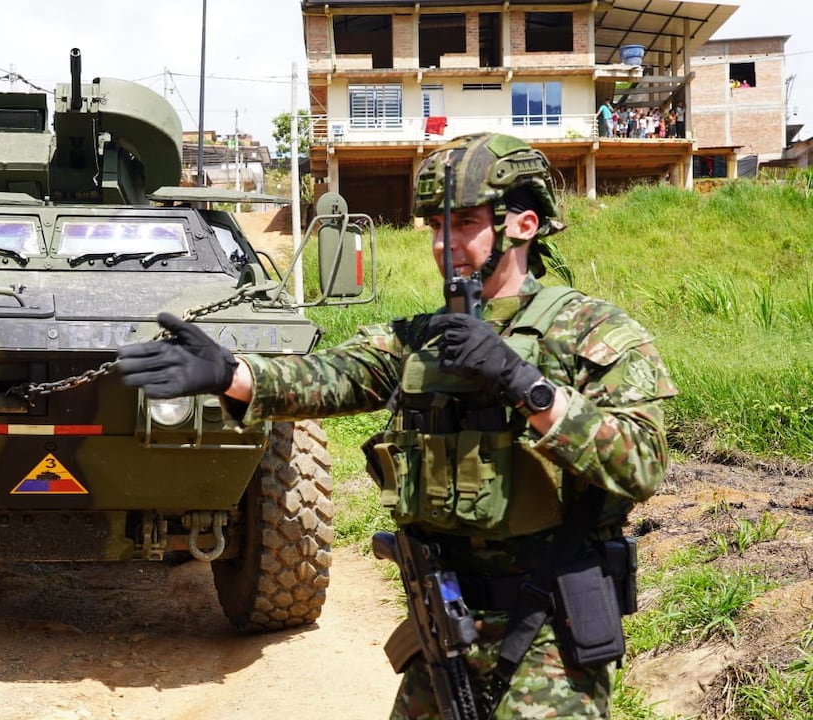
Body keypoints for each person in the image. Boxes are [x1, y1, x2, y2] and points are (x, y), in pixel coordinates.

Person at [115, 132, 677, 719]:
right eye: (435, 226)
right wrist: (229, 373)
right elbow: (334, 375)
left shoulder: (590, 331)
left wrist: (523, 384)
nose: (443, 244)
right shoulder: (421, 340)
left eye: (463, 225)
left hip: (549, 626)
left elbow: (639, 464)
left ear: (523, 225)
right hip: (444, 618)